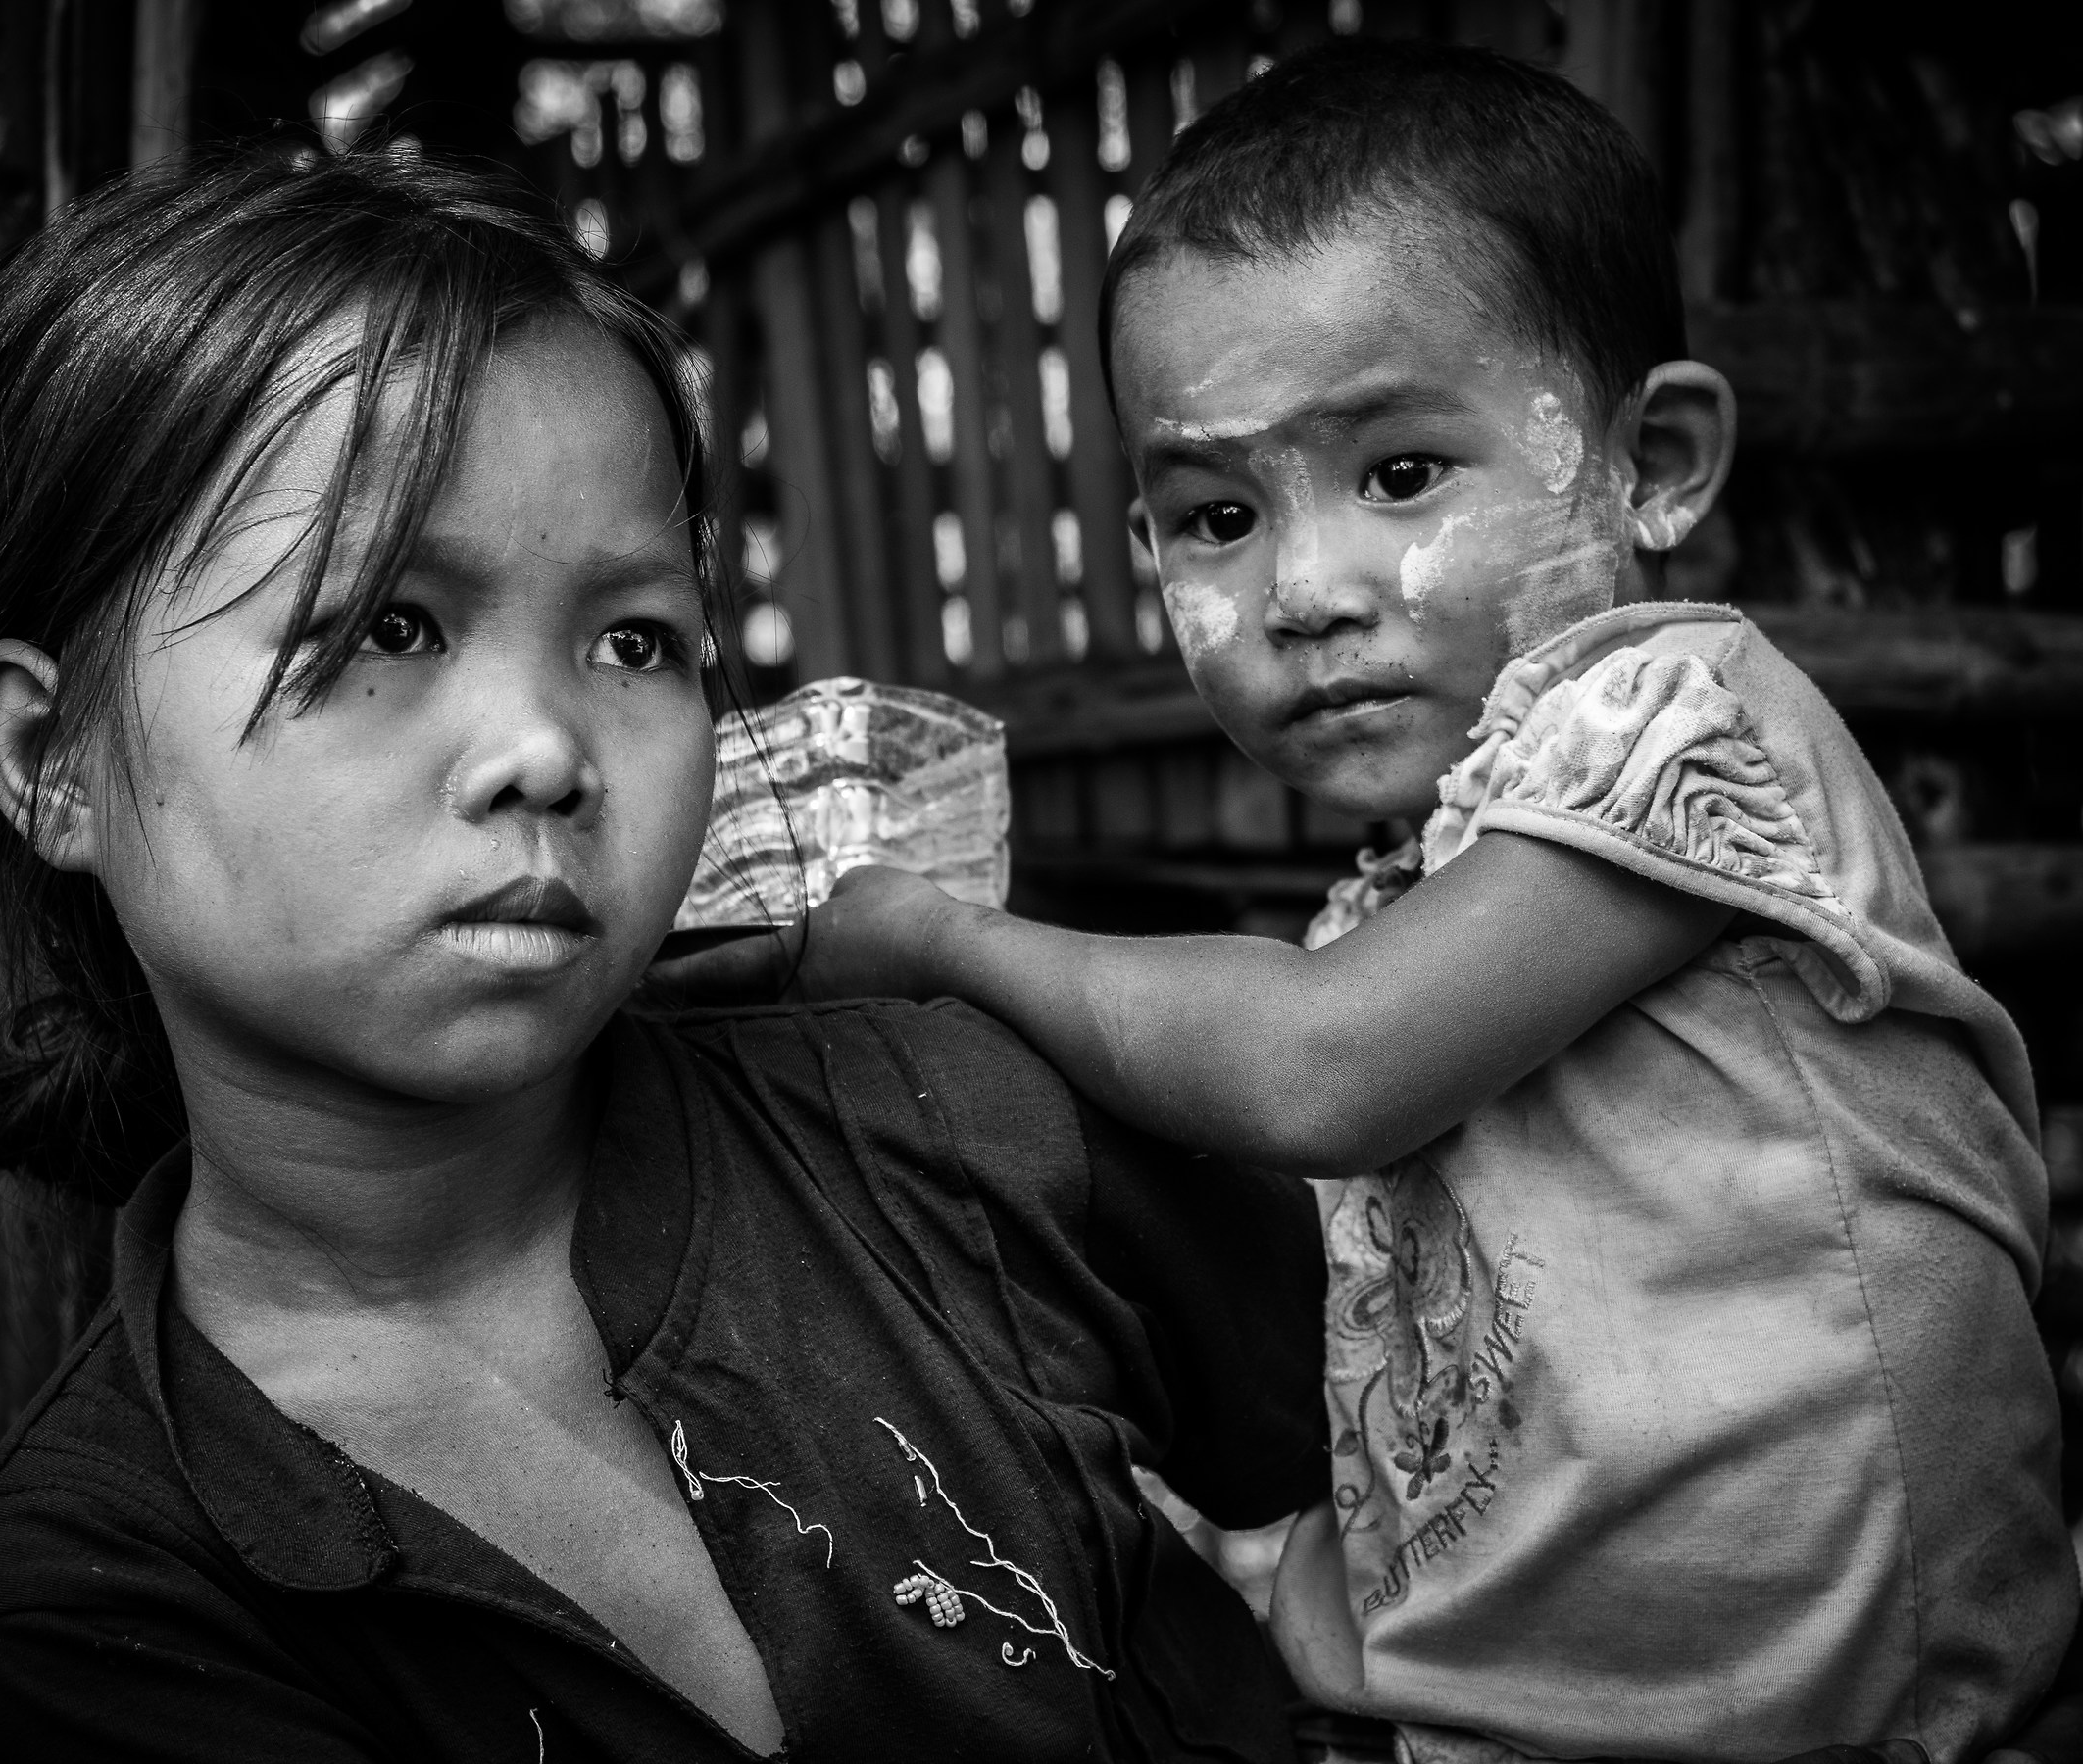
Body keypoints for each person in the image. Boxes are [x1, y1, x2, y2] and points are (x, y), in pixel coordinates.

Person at [661, 38, 2079, 1764]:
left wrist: (934, 939)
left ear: (1657, 463)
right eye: (1214, 515)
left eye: (1400, 474)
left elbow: (1316, 1069)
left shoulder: (1686, 725)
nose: (1305, 590)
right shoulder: (1410, 899)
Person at [0, 149, 1332, 1762]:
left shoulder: (957, 1133)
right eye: (388, 625)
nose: (545, 750)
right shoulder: (103, 1603)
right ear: (52, 759)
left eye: (635, 641)